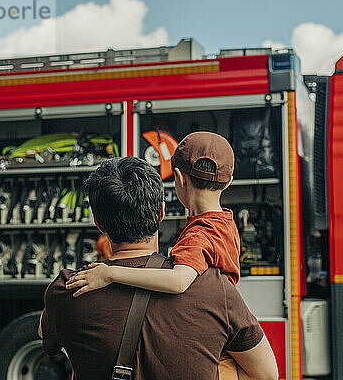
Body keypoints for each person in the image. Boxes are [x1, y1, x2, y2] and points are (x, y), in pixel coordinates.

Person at [40, 156, 278, 380]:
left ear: (98, 223)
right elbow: (267, 374)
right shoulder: (215, 286)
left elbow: (45, 333)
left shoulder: (68, 289)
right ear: (162, 213)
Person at [66, 132, 244, 376]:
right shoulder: (226, 224)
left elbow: (178, 281)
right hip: (224, 327)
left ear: (179, 178)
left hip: (216, 340)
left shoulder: (198, 236)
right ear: (228, 181)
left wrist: (111, 273)